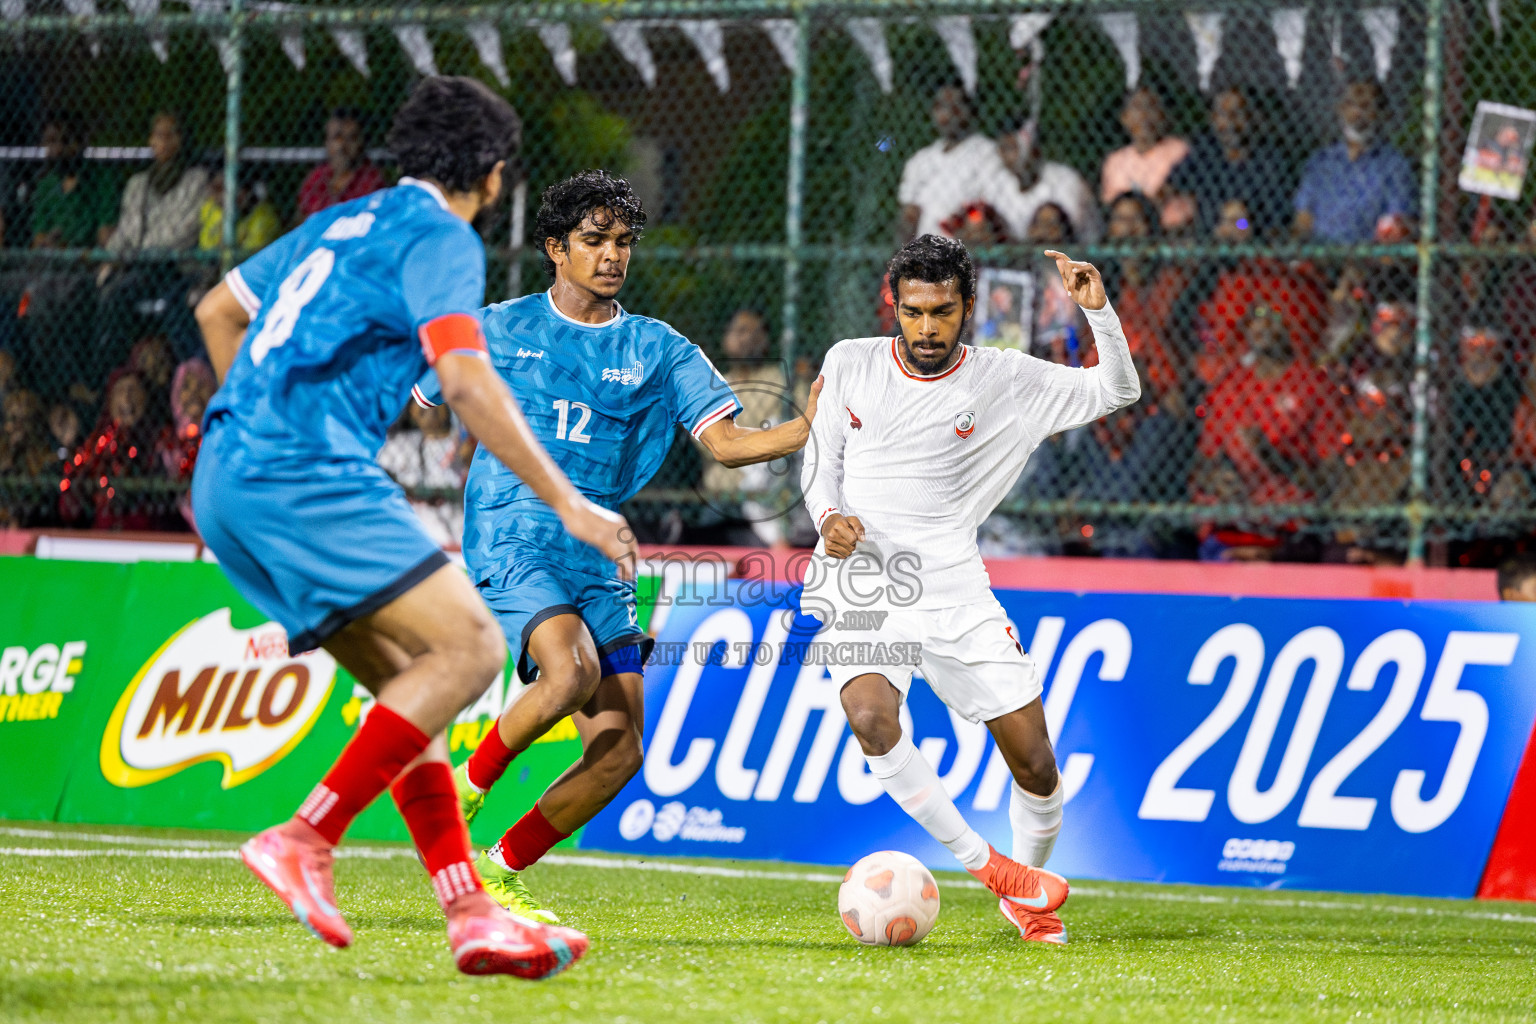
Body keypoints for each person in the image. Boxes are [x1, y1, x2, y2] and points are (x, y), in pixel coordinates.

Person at [189, 77, 626, 979]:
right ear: (495, 174)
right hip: (301, 472)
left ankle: (470, 912)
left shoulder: (347, 218)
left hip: (226, 476)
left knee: (410, 684)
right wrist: (571, 505)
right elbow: (464, 382)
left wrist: (253, 425)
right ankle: (305, 839)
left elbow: (217, 311)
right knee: (467, 652)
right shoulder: (439, 235)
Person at [413, 170, 822, 922]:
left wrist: (806, 426)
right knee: (567, 673)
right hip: (513, 530)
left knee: (621, 753)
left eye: (623, 242)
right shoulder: (498, 327)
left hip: (599, 552)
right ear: (554, 248)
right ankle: (463, 786)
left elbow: (726, 445)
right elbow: (424, 400)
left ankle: (496, 871)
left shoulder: (657, 349)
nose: (611, 256)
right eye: (594, 241)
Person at [798, 237, 1141, 944]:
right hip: (859, 577)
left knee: (1036, 763)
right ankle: (995, 871)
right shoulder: (850, 362)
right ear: (895, 303)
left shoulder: (1006, 379)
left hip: (954, 587)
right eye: (914, 311)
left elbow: (1118, 390)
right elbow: (817, 464)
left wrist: (1097, 312)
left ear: (970, 309)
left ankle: (1022, 895)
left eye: (942, 312)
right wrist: (828, 518)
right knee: (870, 716)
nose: (926, 328)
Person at [699, 308, 796, 547]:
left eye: (750, 332)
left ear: (764, 340)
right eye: (737, 331)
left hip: (769, 499)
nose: (743, 338)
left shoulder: (782, 380)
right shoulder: (715, 383)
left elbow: (794, 431)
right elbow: (707, 439)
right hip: (721, 496)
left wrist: (734, 437)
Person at [1294, 81, 1414, 243]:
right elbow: (1301, 220)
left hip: (1365, 256)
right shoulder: (1321, 162)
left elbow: (1396, 223)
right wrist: (1245, 223)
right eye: (1351, 104)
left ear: (1380, 113)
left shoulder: (1393, 165)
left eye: (1365, 106)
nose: (1357, 113)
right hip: (1317, 251)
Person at [1165, 87, 1291, 237]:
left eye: (1237, 113)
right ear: (1213, 119)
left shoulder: (1269, 159)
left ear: (1251, 117)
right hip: (1204, 234)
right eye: (1223, 114)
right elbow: (1170, 187)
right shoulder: (1205, 151)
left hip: (1248, 233)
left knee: (1237, 218)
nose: (1230, 122)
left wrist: (1238, 223)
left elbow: (1275, 222)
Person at [898, 84, 1008, 240]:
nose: (947, 114)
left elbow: (987, 210)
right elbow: (909, 213)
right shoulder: (920, 160)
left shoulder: (987, 152)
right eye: (940, 106)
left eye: (954, 106)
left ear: (970, 111)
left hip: (966, 251)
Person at [987, 123, 1102, 243]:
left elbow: (1072, 230)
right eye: (1003, 148)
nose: (1004, 155)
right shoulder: (998, 183)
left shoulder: (1065, 180)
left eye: (1011, 147)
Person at [1098, 87, 1190, 229]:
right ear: (1125, 117)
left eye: (1151, 107)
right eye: (1137, 108)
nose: (1144, 115)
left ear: (1163, 115)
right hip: (1128, 231)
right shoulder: (1115, 161)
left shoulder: (1179, 151)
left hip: (1171, 231)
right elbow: (1111, 205)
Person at [30, 119, 116, 249]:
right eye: (48, 142)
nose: (54, 150)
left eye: (59, 141)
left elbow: (105, 234)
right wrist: (47, 242)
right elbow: (39, 234)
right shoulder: (46, 184)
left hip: (88, 257)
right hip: (52, 258)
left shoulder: (101, 179)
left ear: (77, 143)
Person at [295, 108, 386, 222]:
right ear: (327, 142)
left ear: (362, 143)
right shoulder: (316, 179)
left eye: (352, 138)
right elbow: (301, 221)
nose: (343, 146)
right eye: (337, 138)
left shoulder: (372, 181)